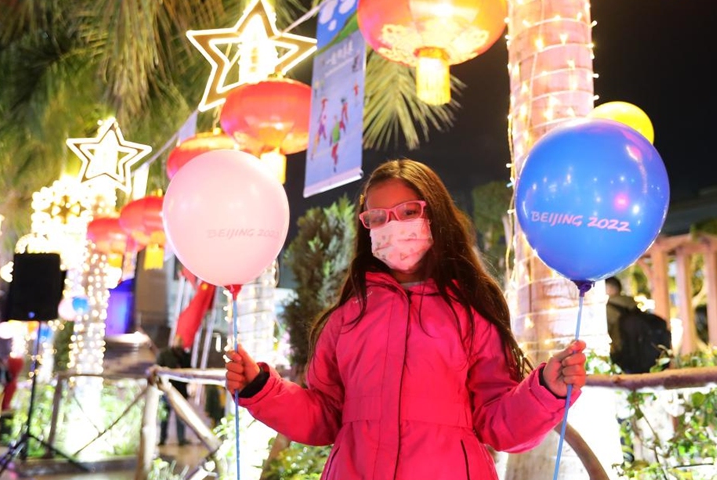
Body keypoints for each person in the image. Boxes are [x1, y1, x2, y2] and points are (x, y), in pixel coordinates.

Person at [226, 159, 587, 479]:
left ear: (435, 214)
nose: (393, 226)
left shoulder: (472, 313)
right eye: (378, 218)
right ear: (367, 228)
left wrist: (546, 391)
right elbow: (324, 416)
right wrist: (262, 389)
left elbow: (499, 424)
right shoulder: (347, 319)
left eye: (408, 211)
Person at [156, 335, 191, 446]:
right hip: (166, 390)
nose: (179, 343)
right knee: (164, 416)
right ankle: (162, 438)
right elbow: (158, 368)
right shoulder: (164, 354)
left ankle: (181, 439)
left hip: (180, 391)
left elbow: (189, 370)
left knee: (180, 417)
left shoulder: (185, 355)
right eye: (178, 341)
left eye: (181, 341)